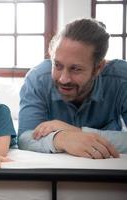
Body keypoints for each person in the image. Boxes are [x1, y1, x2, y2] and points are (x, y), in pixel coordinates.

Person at [18, 18, 127, 159]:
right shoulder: (37, 79)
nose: (63, 79)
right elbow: (24, 138)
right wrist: (61, 138)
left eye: (76, 69)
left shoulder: (121, 79)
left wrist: (76, 132)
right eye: (57, 65)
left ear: (98, 68)